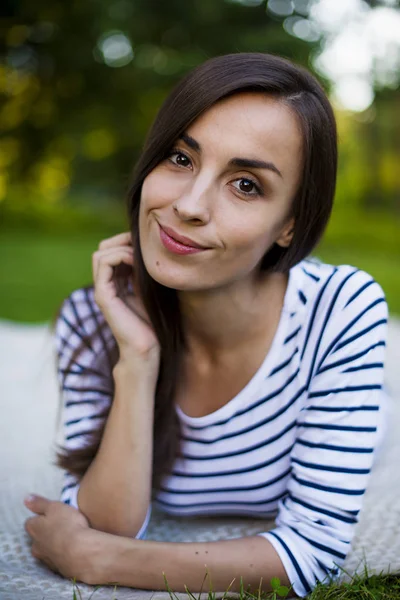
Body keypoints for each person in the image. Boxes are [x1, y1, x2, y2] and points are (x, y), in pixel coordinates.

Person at [23, 52, 388, 598]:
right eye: (180, 158)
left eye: (245, 185)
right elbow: (103, 520)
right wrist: (138, 361)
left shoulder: (341, 309)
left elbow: (315, 550)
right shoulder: (95, 317)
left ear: (289, 224)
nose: (190, 205)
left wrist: (102, 561)